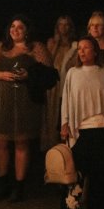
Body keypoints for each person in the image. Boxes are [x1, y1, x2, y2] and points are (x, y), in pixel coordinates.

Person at [0, 14, 53, 202]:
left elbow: (48, 73)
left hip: (25, 99)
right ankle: (2, 183)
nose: (15, 30)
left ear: (27, 31)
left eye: (20, 27)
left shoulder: (36, 48)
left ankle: (19, 185)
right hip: (3, 98)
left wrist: (28, 75)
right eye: (12, 26)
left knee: (21, 141)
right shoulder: (0, 47)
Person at [59, 36, 104, 209]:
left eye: (86, 48)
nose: (82, 51)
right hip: (81, 128)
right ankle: (70, 207)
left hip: (102, 126)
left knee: (99, 170)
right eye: (79, 48)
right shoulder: (73, 73)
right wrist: (65, 123)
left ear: (95, 51)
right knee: (77, 170)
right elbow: (67, 99)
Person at [43, 15, 77, 151]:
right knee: (52, 118)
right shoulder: (51, 43)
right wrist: (56, 44)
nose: (64, 28)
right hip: (53, 87)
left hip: (68, 87)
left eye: (66, 24)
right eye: (61, 24)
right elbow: (47, 62)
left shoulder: (75, 45)